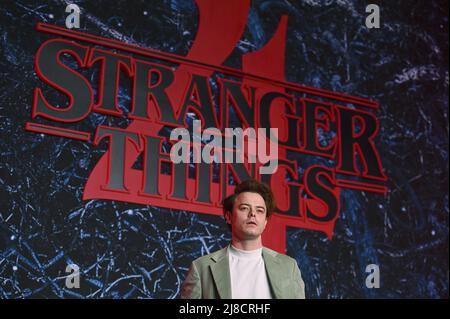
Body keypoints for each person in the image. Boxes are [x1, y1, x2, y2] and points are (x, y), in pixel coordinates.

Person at [181, 179, 305, 299]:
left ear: (265, 221)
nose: (253, 214)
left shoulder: (289, 267)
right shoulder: (201, 268)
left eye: (260, 210)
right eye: (244, 208)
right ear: (229, 217)